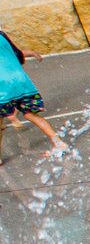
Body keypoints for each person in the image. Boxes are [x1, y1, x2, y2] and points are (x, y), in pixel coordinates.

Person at [0, 30, 63, 162]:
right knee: (30, 114)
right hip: (21, 80)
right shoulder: (1, 34)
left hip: (2, 84)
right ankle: (58, 142)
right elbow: (18, 55)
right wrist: (31, 53)